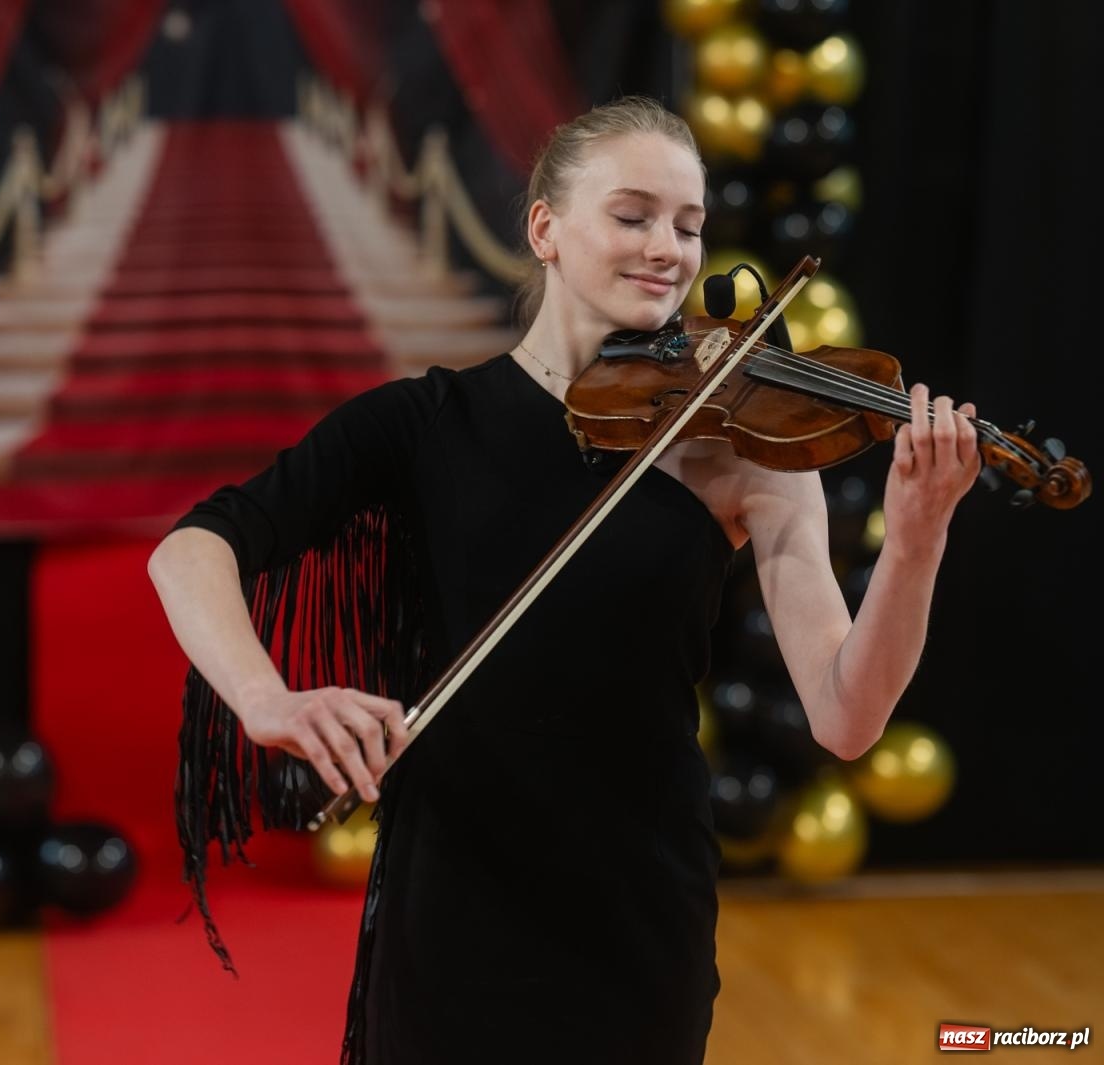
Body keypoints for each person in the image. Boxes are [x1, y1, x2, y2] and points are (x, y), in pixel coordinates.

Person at [147, 95, 980, 1064]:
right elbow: (191, 550)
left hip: (639, 923)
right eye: (632, 216)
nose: (668, 249)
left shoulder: (739, 453)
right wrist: (265, 698)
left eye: (689, 226)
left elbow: (847, 716)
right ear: (545, 229)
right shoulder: (428, 424)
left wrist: (916, 539)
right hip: (453, 912)